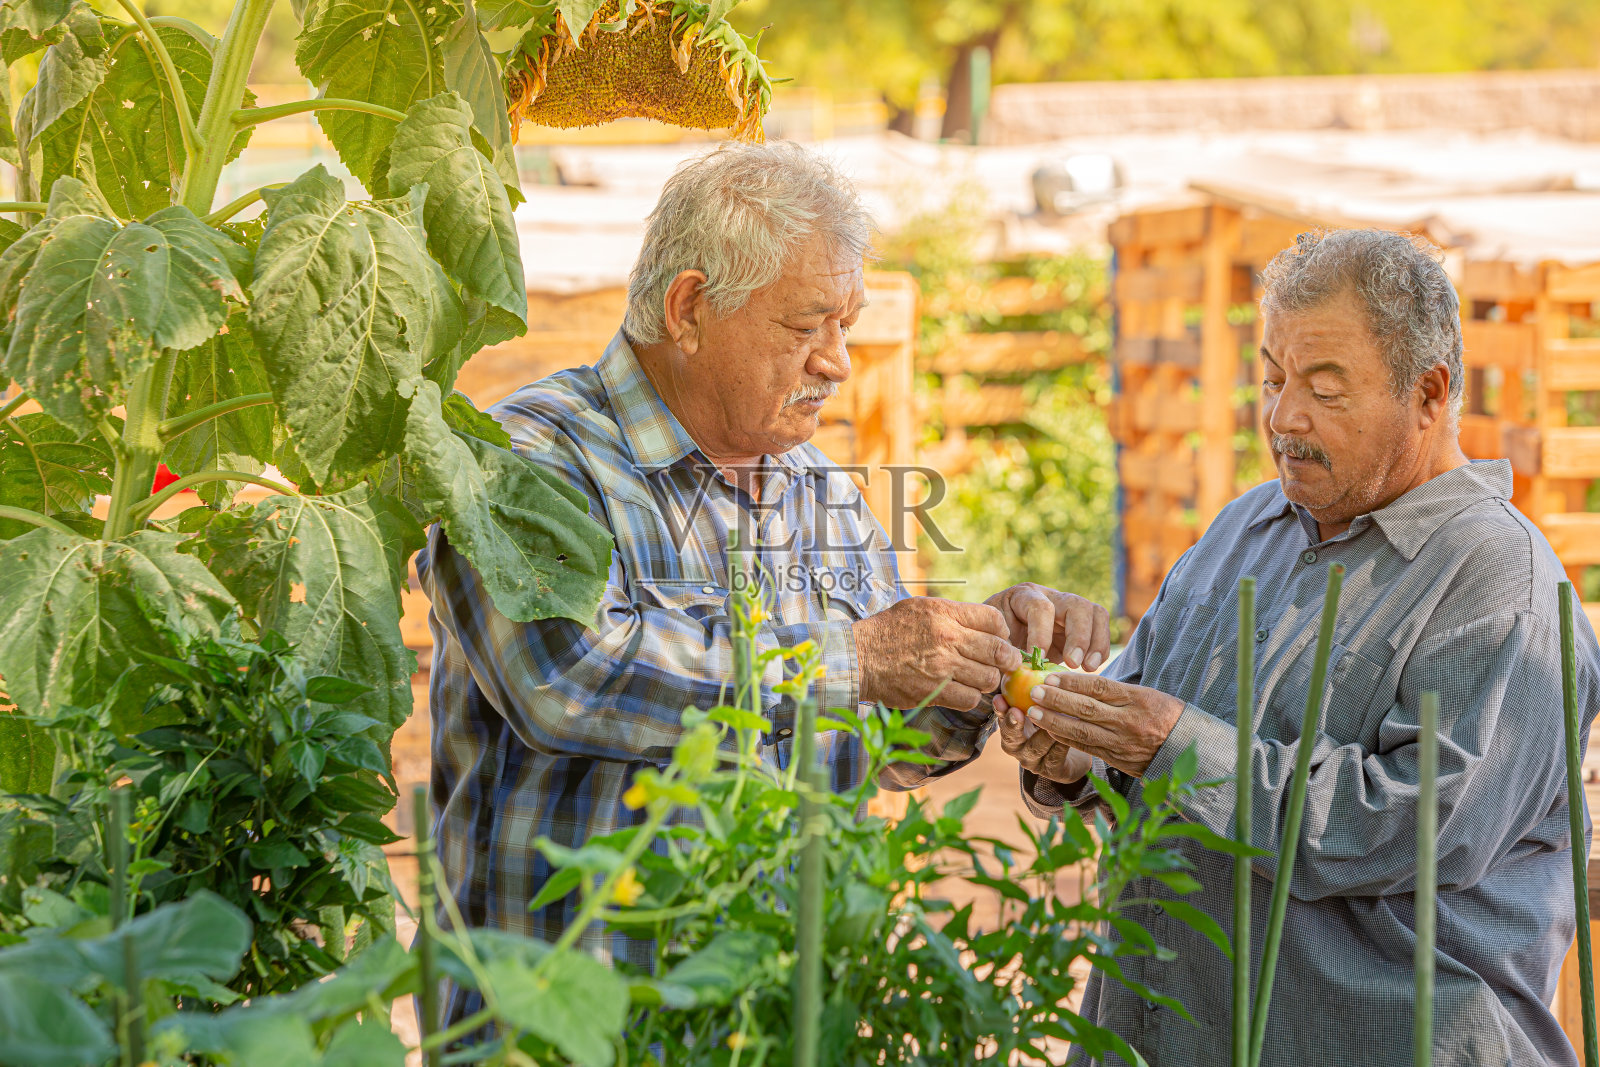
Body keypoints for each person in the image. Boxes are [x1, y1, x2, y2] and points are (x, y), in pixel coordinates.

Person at [416, 141, 1110, 1030]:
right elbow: (569, 678)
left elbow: (880, 744)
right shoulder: (530, 460)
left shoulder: (816, 486)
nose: (838, 361)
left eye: (847, 326)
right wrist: (861, 656)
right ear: (691, 308)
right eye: (806, 325)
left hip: (765, 1024)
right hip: (557, 1029)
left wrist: (981, 669)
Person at [998, 228, 1600, 1066]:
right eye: (1273, 378)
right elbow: (1142, 739)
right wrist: (1073, 753)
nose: (1283, 417)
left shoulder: (1501, 585)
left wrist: (1170, 743)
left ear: (1428, 393)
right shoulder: (1242, 529)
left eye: (1325, 389)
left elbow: (1404, 830)